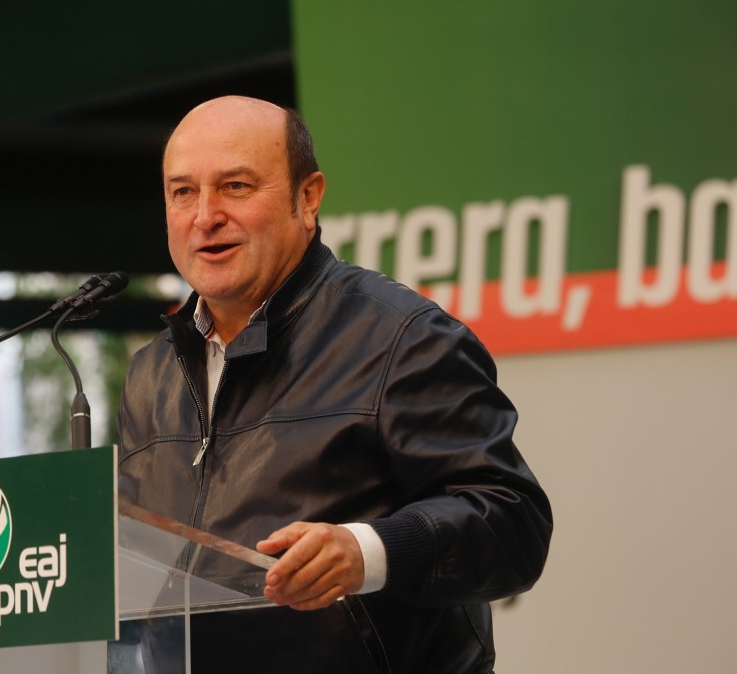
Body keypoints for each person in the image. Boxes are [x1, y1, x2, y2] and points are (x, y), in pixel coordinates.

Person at [116, 96, 552, 672]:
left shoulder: (402, 339)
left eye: (236, 187)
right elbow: (136, 566)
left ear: (308, 198)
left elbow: (513, 524)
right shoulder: (151, 373)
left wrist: (367, 552)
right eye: (182, 192)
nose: (205, 216)